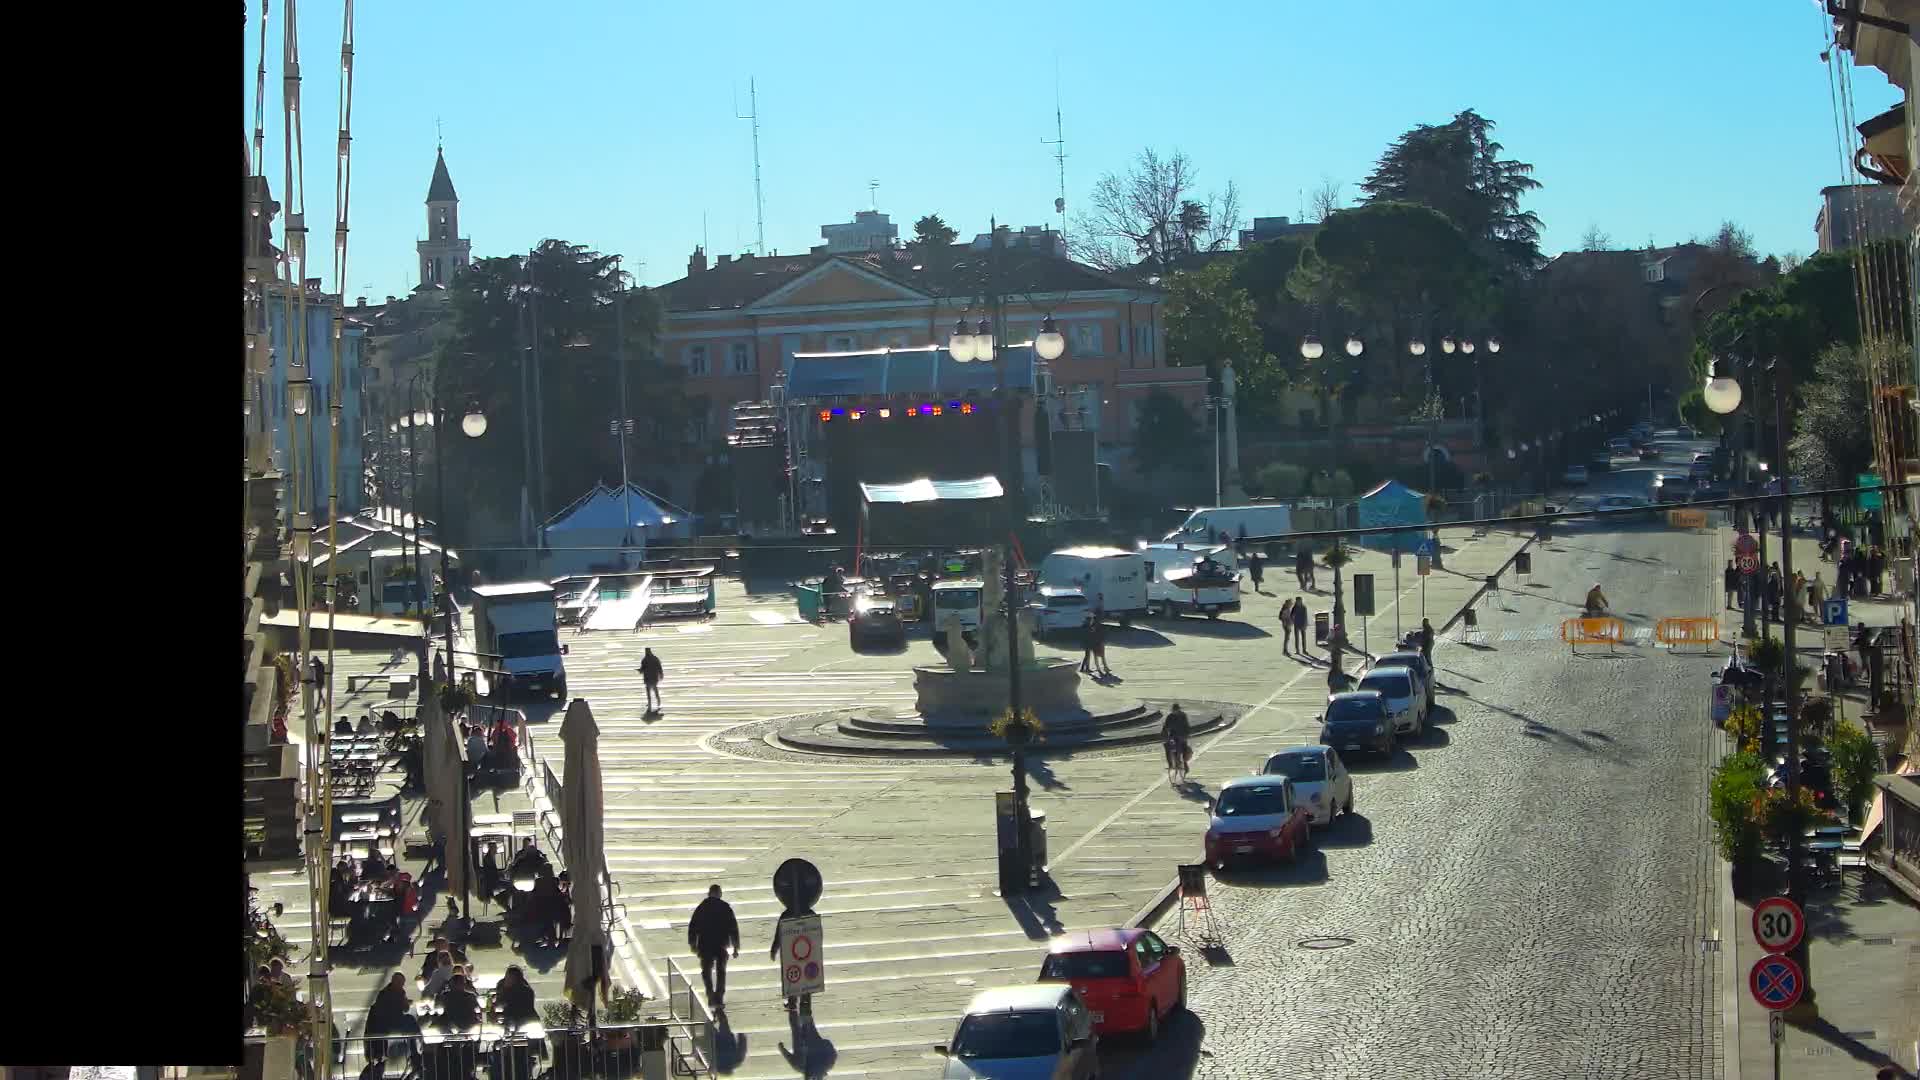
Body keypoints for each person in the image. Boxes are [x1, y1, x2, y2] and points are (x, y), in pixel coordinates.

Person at [687, 884, 742, 1011]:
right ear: (719, 894)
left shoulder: (702, 907)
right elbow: (733, 927)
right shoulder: (725, 907)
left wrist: (693, 943)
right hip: (721, 943)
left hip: (705, 944)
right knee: (721, 971)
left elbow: (693, 926)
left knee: (706, 971)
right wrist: (735, 946)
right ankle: (719, 997)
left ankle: (710, 995)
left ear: (709, 893)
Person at [366, 972, 422, 1067]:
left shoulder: (390, 992)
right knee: (410, 1021)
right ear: (394, 981)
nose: (401, 985)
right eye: (400, 983)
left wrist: (404, 1002)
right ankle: (417, 1045)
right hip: (388, 1023)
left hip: (389, 1022)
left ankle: (416, 1046)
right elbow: (404, 1009)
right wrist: (405, 1003)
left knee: (410, 1024)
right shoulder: (392, 993)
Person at [1161, 703, 1192, 776]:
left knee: (1169, 747)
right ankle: (1177, 764)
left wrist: (1164, 733)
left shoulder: (1171, 716)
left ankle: (1173, 764)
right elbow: (1166, 727)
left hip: (1178, 736)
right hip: (1180, 736)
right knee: (1171, 746)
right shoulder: (1182, 715)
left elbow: (1166, 727)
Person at [641, 647, 664, 712]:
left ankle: (650, 703)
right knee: (654, 689)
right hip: (654, 677)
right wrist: (661, 674)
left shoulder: (644, 659)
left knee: (649, 691)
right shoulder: (655, 658)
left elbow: (642, 669)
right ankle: (658, 702)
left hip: (648, 678)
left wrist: (640, 670)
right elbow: (659, 667)